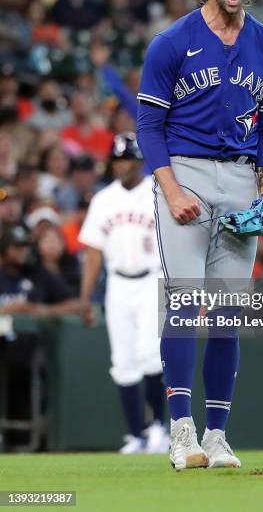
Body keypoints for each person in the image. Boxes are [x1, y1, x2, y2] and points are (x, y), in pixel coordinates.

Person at [137, 0, 263, 470]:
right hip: (187, 173)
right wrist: (172, 190)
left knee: (227, 314)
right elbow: (149, 125)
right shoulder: (172, 41)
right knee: (182, 304)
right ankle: (181, 431)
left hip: (243, 180)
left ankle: (217, 434)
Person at [79, 133, 168, 455]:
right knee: (123, 362)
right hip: (117, 283)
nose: (122, 165)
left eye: (127, 159)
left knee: (150, 354)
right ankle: (135, 435)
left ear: (139, 160)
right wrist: (85, 297)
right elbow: (92, 252)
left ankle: (159, 427)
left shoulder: (157, 192)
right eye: (117, 160)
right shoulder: (103, 200)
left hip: (152, 280)